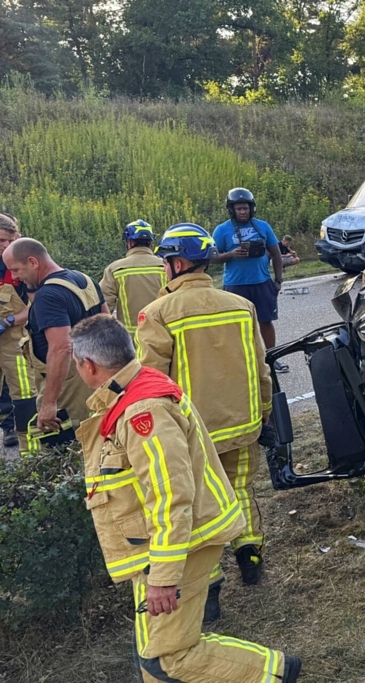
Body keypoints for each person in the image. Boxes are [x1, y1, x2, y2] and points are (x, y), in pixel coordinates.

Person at [69, 315, 301, 682]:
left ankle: (274, 673)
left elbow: (172, 497)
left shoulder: (143, 411)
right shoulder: (132, 392)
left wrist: (162, 577)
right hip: (161, 544)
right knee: (153, 652)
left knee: (167, 659)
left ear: (88, 364)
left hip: (181, 543)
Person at [136, 224, 273, 601]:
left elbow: (150, 382)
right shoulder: (242, 306)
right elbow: (261, 369)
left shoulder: (157, 313)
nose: (165, 268)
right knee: (241, 491)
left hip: (194, 435)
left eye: (166, 262)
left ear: (178, 263)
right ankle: (251, 560)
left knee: (200, 506)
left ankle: (209, 589)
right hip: (244, 426)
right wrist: (265, 413)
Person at [2, 238, 107, 439]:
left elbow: (61, 348)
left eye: (16, 270)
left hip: (65, 389)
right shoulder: (84, 280)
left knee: (61, 447)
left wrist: (49, 403)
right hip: (94, 377)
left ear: (33, 262)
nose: (15, 277)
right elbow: (108, 325)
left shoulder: (48, 296)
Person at [211, 188, 288, 373]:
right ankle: (241, 362)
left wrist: (278, 280)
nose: (243, 212)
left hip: (261, 282)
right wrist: (231, 254)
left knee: (266, 322)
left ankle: (271, 357)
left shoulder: (263, 226)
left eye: (245, 208)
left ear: (251, 208)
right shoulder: (222, 230)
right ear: (232, 210)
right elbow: (212, 257)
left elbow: (276, 254)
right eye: (239, 209)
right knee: (236, 325)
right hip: (235, 285)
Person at [0, 215, 35, 450]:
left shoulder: (23, 261)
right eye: (2, 240)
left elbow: (37, 305)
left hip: (14, 337)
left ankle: (29, 449)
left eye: (11, 239)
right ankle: (7, 426)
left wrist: (10, 320)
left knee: (24, 393)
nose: (6, 245)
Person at [100, 219, 167, 336]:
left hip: (129, 338)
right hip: (162, 334)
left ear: (129, 242)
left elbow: (104, 304)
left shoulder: (115, 269)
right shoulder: (165, 266)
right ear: (151, 242)